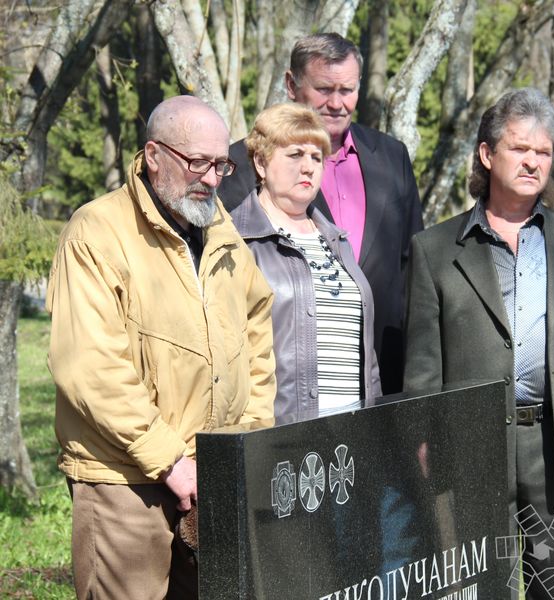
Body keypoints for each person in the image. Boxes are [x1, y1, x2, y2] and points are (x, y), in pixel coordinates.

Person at [46, 95, 276, 599]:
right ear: (154, 155)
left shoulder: (220, 229)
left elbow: (256, 330)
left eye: (221, 165)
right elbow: (89, 366)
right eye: (198, 162)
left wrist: (250, 437)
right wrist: (171, 462)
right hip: (124, 479)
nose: (212, 178)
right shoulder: (97, 231)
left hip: (213, 472)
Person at [404, 88, 554, 600]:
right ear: (487, 154)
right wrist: (422, 440)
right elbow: (423, 365)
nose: (532, 162)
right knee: (481, 590)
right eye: (520, 148)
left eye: (543, 152)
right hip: (471, 447)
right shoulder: (434, 249)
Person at [219, 32, 422, 395]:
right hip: (278, 387)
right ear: (291, 85)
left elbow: (412, 274)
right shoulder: (240, 166)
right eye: (324, 89)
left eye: (348, 90)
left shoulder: (393, 158)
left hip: (380, 381)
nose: (337, 103)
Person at [231, 102, 381, 422]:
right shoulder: (236, 240)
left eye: (316, 157)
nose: (308, 167)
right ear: (261, 162)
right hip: (281, 433)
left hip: (356, 432)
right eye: (295, 154)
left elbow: (367, 360)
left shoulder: (337, 241)